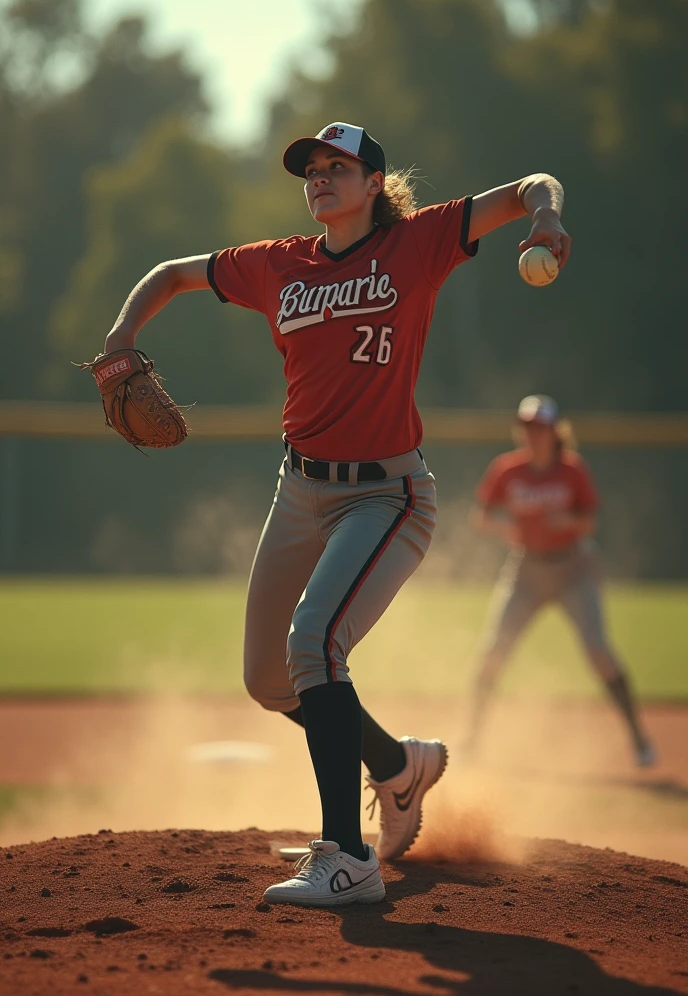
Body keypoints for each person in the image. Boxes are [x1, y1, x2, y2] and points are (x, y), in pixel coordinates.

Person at [102, 121, 571, 907]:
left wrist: (546, 217)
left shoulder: (417, 243)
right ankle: (397, 767)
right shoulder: (275, 265)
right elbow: (170, 273)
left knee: (314, 641)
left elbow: (534, 182)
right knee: (265, 677)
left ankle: (347, 859)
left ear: (375, 185)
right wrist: (122, 332)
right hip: (299, 492)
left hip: (386, 495)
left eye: (337, 167)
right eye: (311, 169)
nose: (319, 177)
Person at [463, 394, 655, 768]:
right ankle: (471, 739)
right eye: (528, 427)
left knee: (599, 651)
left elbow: (589, 522)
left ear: (554, 432)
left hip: (573, 571)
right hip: (525, 571)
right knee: (493, 652)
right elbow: (480, 517)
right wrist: (506, 527)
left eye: (540, 428)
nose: (533, 434)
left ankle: (639, 739)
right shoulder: (507, 469)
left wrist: (567, 523)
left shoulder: (572, 470)